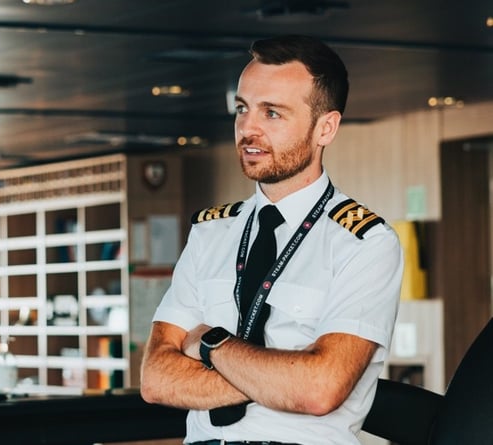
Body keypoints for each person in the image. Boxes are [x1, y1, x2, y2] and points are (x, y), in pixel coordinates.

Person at [140, 35, 404, 445]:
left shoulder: (363, 242)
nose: (248, 128)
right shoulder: (211, 233)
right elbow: (156, 378)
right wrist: (283, 379)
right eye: (242, 109)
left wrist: (211, 345)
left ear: (325, 128)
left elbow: (319, 391)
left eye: (273, 113)